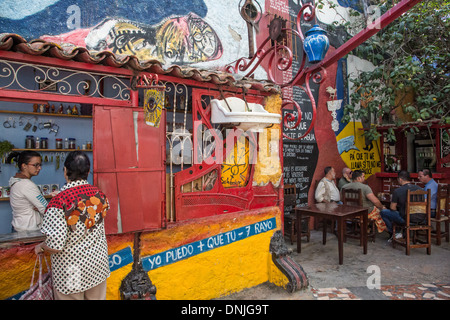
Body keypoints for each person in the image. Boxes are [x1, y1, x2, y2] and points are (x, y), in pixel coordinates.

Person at [34, 151, 110, 300]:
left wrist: (42, 246)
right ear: (88, 172)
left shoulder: (59, 202)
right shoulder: (99, 195)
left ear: (65, 171)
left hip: (72, 270)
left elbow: (56, 244)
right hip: (98, 266)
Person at [7, 151, 48, 232]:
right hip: (29, 231)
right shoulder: (26, 185)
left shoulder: (16, 181)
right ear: (24, 166)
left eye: (40, 165)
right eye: (36, 165)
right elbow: (46, 208)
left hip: (19, 227)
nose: (39, 168)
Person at [380, 170, 422, 240]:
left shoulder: (398, 191)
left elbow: (392, 208)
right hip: (421, 218)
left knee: (383, 212)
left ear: (400, 179)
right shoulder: (420, 189)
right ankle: (400, 232)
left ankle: (395, 232)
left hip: (406, 219)